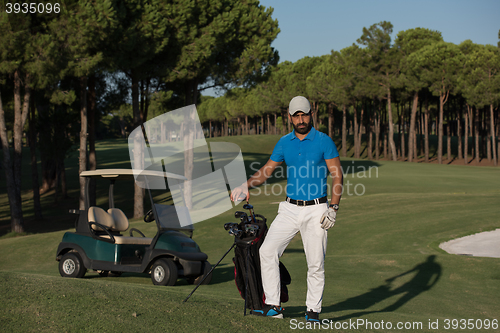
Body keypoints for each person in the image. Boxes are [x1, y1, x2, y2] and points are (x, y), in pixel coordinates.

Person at [230, 96, 343, 322]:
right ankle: (274, 305)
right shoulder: (284, 142)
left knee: (315, 263)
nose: (301, 119)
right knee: (267, 251)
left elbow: (337, 174)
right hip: (289, 208)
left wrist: (333, 207)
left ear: (311, 114)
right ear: (290, 117)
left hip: (317, 209)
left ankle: (313, 310)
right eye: (296, 115)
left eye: (304, 114)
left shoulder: (323, 140)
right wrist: (246, 184)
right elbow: (267, 170)